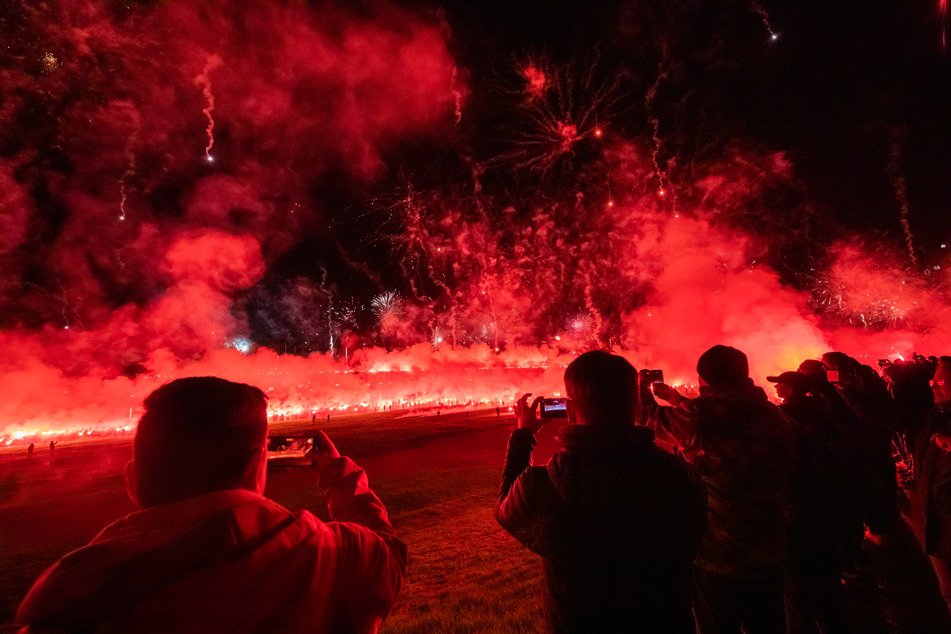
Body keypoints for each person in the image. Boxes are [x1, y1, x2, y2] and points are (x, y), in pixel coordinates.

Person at [17, 377, 406, 633]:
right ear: (258, 464)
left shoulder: (67, 597)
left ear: (133, 479)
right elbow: (387, 555)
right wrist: (339, 473)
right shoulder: (325, 554)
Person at [496, 350, 707, 633]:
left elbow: (505, 509)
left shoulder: (543, 484)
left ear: (569, 409)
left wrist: (523, 436)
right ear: (635, 405)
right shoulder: (681, 475)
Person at [641, 344, 795, 634]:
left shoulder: (700, 419)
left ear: (704, 380)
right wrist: (679, 400)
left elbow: (648, 418)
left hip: (718, 551)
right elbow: (723, 413)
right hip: (768, 544)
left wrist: (642, 389)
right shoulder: (773, 415)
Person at [767, 371, 846, 633]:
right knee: (826, 572)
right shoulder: (820, 407)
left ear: (790, 390)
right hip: (823, 496)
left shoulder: (785, 418)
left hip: (797, 500)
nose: (776, 387)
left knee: (798, 581)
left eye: (780, 383)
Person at [910, 356, 951, 614]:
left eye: (941, 381)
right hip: (936, 524)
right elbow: (885, 418)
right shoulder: (932, 416)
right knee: (948, 592)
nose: (933, 386)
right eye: (932, 380)